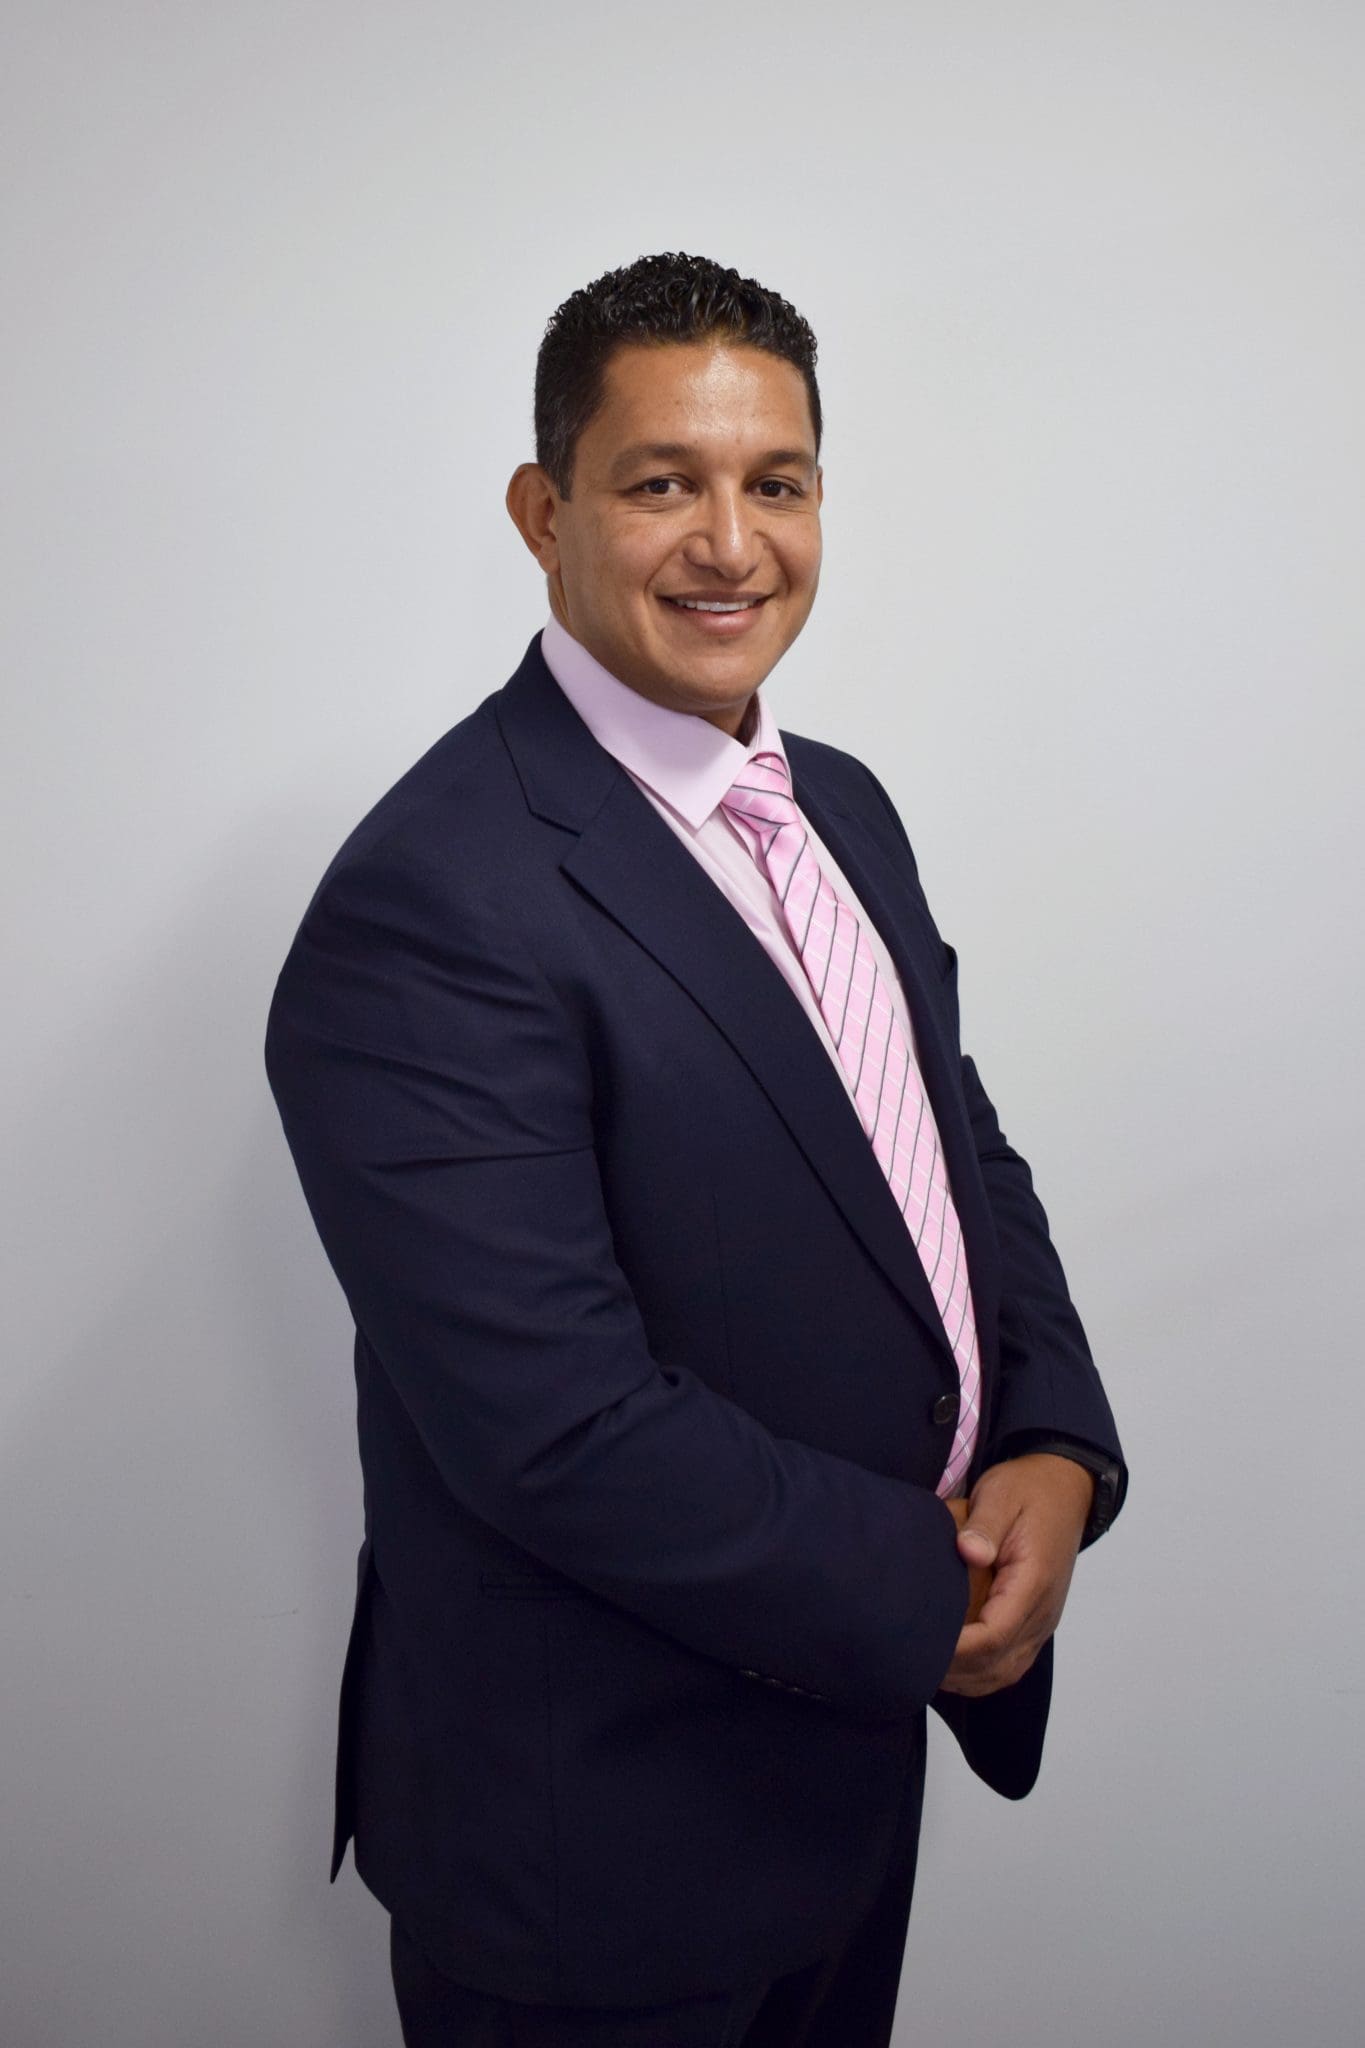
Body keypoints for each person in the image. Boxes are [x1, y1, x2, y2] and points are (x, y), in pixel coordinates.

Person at [264, 251, 1126, 2048]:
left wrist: (1054, 1439)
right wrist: (931, 1583)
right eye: (663, 483)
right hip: (598, 1842)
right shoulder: (433, 900)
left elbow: (947, 1147)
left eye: (775, 484)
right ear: (544, 512)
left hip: (836, 1779)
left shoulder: (839, 808)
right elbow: (552, 1427)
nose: (731, 545)